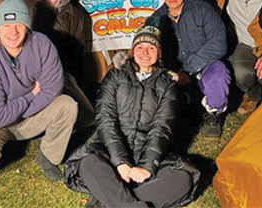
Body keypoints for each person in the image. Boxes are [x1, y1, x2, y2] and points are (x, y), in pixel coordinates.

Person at [63, 26, 200, 208]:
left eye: (151, 48)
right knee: (88, 163)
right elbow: (106, 119)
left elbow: (161, 129)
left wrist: (146, 167)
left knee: (182, 179)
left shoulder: (167, 85)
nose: (145, 52)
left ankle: (111, 200)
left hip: (148, 155)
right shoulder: (115, 76)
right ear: (132, 50)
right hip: (111, 154)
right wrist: (121, 163)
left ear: (158, 52)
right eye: (140, 47)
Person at [0, 0, 77, 183]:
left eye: (19, 25)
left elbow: (52, 88)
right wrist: (31, 94)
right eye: (6, 26)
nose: (13, 32)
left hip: (27, 115)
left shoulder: (42, 45)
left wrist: (23, 111)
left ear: (28, 27)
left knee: (68, 105)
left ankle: (48, 157)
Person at [0, 0, 94, 129]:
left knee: (87, 118)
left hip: (55, 73)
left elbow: (77, 54)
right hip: (19, 72)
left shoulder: (76, 15)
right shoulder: (21, 3)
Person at [149, 0, 230, 138]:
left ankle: (214, 113)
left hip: (201, 69)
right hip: (173, 74)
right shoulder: (155, 19)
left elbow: (219, 44)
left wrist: (188, 69)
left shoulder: (203, 10)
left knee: (218, 71)